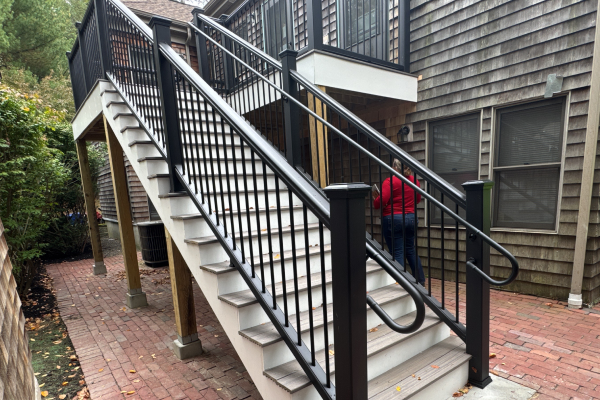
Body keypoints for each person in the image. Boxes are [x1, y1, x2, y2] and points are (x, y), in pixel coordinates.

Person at [373, 159, 426, 285]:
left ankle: (402, 283)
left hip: (393, 218)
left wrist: (376, 199)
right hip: (411, 218)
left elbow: (382, 201)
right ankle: (420, 281)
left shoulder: (390, 181)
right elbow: (418, 199)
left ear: (396, 168)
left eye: (392, 165)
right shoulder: (414, 181)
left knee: (397, 252)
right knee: (410, 249)